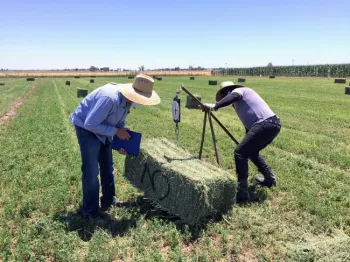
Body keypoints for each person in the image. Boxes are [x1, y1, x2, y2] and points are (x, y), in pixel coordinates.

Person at [70, 74, 160, 218]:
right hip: (86, 127)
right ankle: (90, 211)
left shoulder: (128, 101)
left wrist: (121, 143)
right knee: (91, 171)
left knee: (108, 167)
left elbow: (119, 122)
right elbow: (90, 123)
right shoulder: (109, 98)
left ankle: (108, 201)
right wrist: (116, 132)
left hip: (102, 125)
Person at [204, 81, 281, 203]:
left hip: (265, 123)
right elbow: (249, 124)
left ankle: (242, 193)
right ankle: (270, 179)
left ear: (227, 91)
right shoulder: (240, 103)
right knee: (250, 152)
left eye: (225, 94)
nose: (226, 97)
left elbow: (234, 96)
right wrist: (246, 142)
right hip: (272, 124)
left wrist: (215, 106)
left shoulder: (240, 91)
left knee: (240, 153)